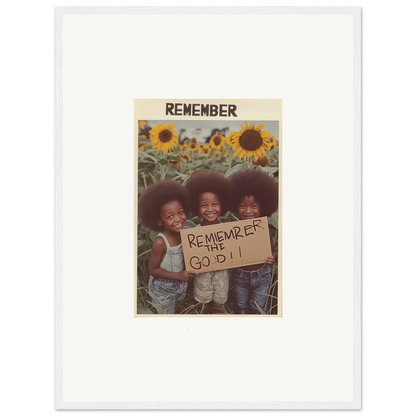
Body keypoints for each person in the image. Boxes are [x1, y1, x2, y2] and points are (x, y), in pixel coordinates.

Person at [138, 179, 195, 314]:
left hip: (181, 286)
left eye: (180, 212)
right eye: (170, 216)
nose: (178, 219)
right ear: (159, 221)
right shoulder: (161, 242)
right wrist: (179, 276)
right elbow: (153, 270)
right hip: (163, 291)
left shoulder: (184, 234)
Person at [228, 168, 278, 314]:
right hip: (240, 276)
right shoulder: (234, 231)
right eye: (243, 206)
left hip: (261, 276)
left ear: (263, 207)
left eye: (254, 206)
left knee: (258, 307)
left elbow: (272, 250)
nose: (248, 211)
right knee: (241, 305)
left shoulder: (264, 229)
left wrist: (272, 258)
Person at [185, 170, 230, 314]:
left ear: (222, 205)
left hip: (222, 279)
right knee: (202, 307)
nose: (210, 209)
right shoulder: (194, 234)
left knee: (219, 307)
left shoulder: (229, 231)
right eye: (204, 205)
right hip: (202, 280)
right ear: (196, 208)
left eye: (215, 204)